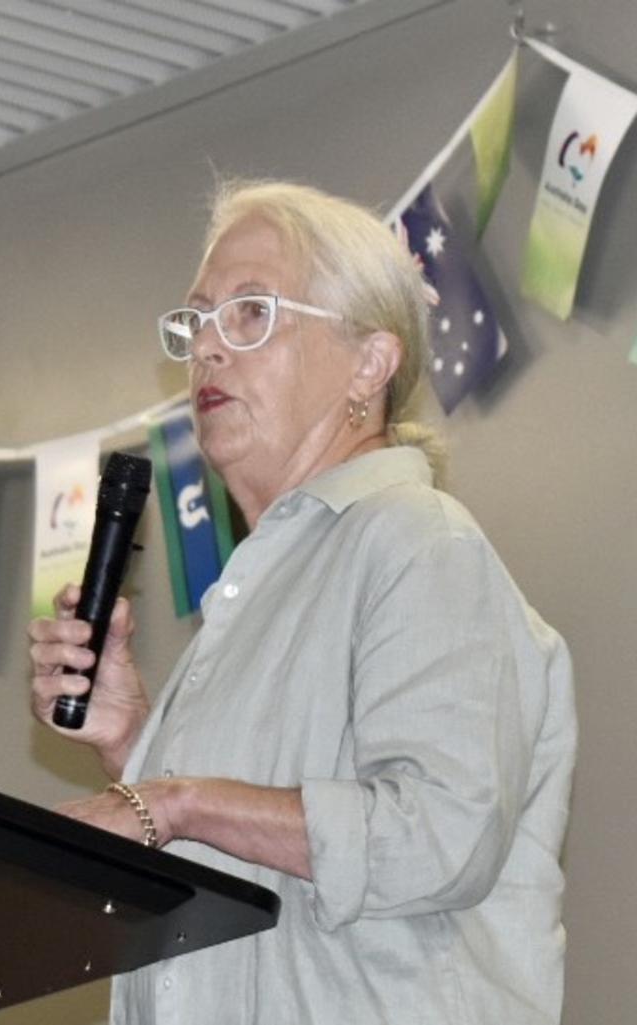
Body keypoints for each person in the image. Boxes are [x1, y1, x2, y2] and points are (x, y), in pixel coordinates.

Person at [29, 180, 577, 1025]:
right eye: (197, 321)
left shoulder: (418, 541)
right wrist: (135, 741)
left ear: (369, 362)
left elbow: (436, 833)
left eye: (252, 312)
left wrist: (169, 800)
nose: (207, 349)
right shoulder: (263, 585)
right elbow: (258, 857)